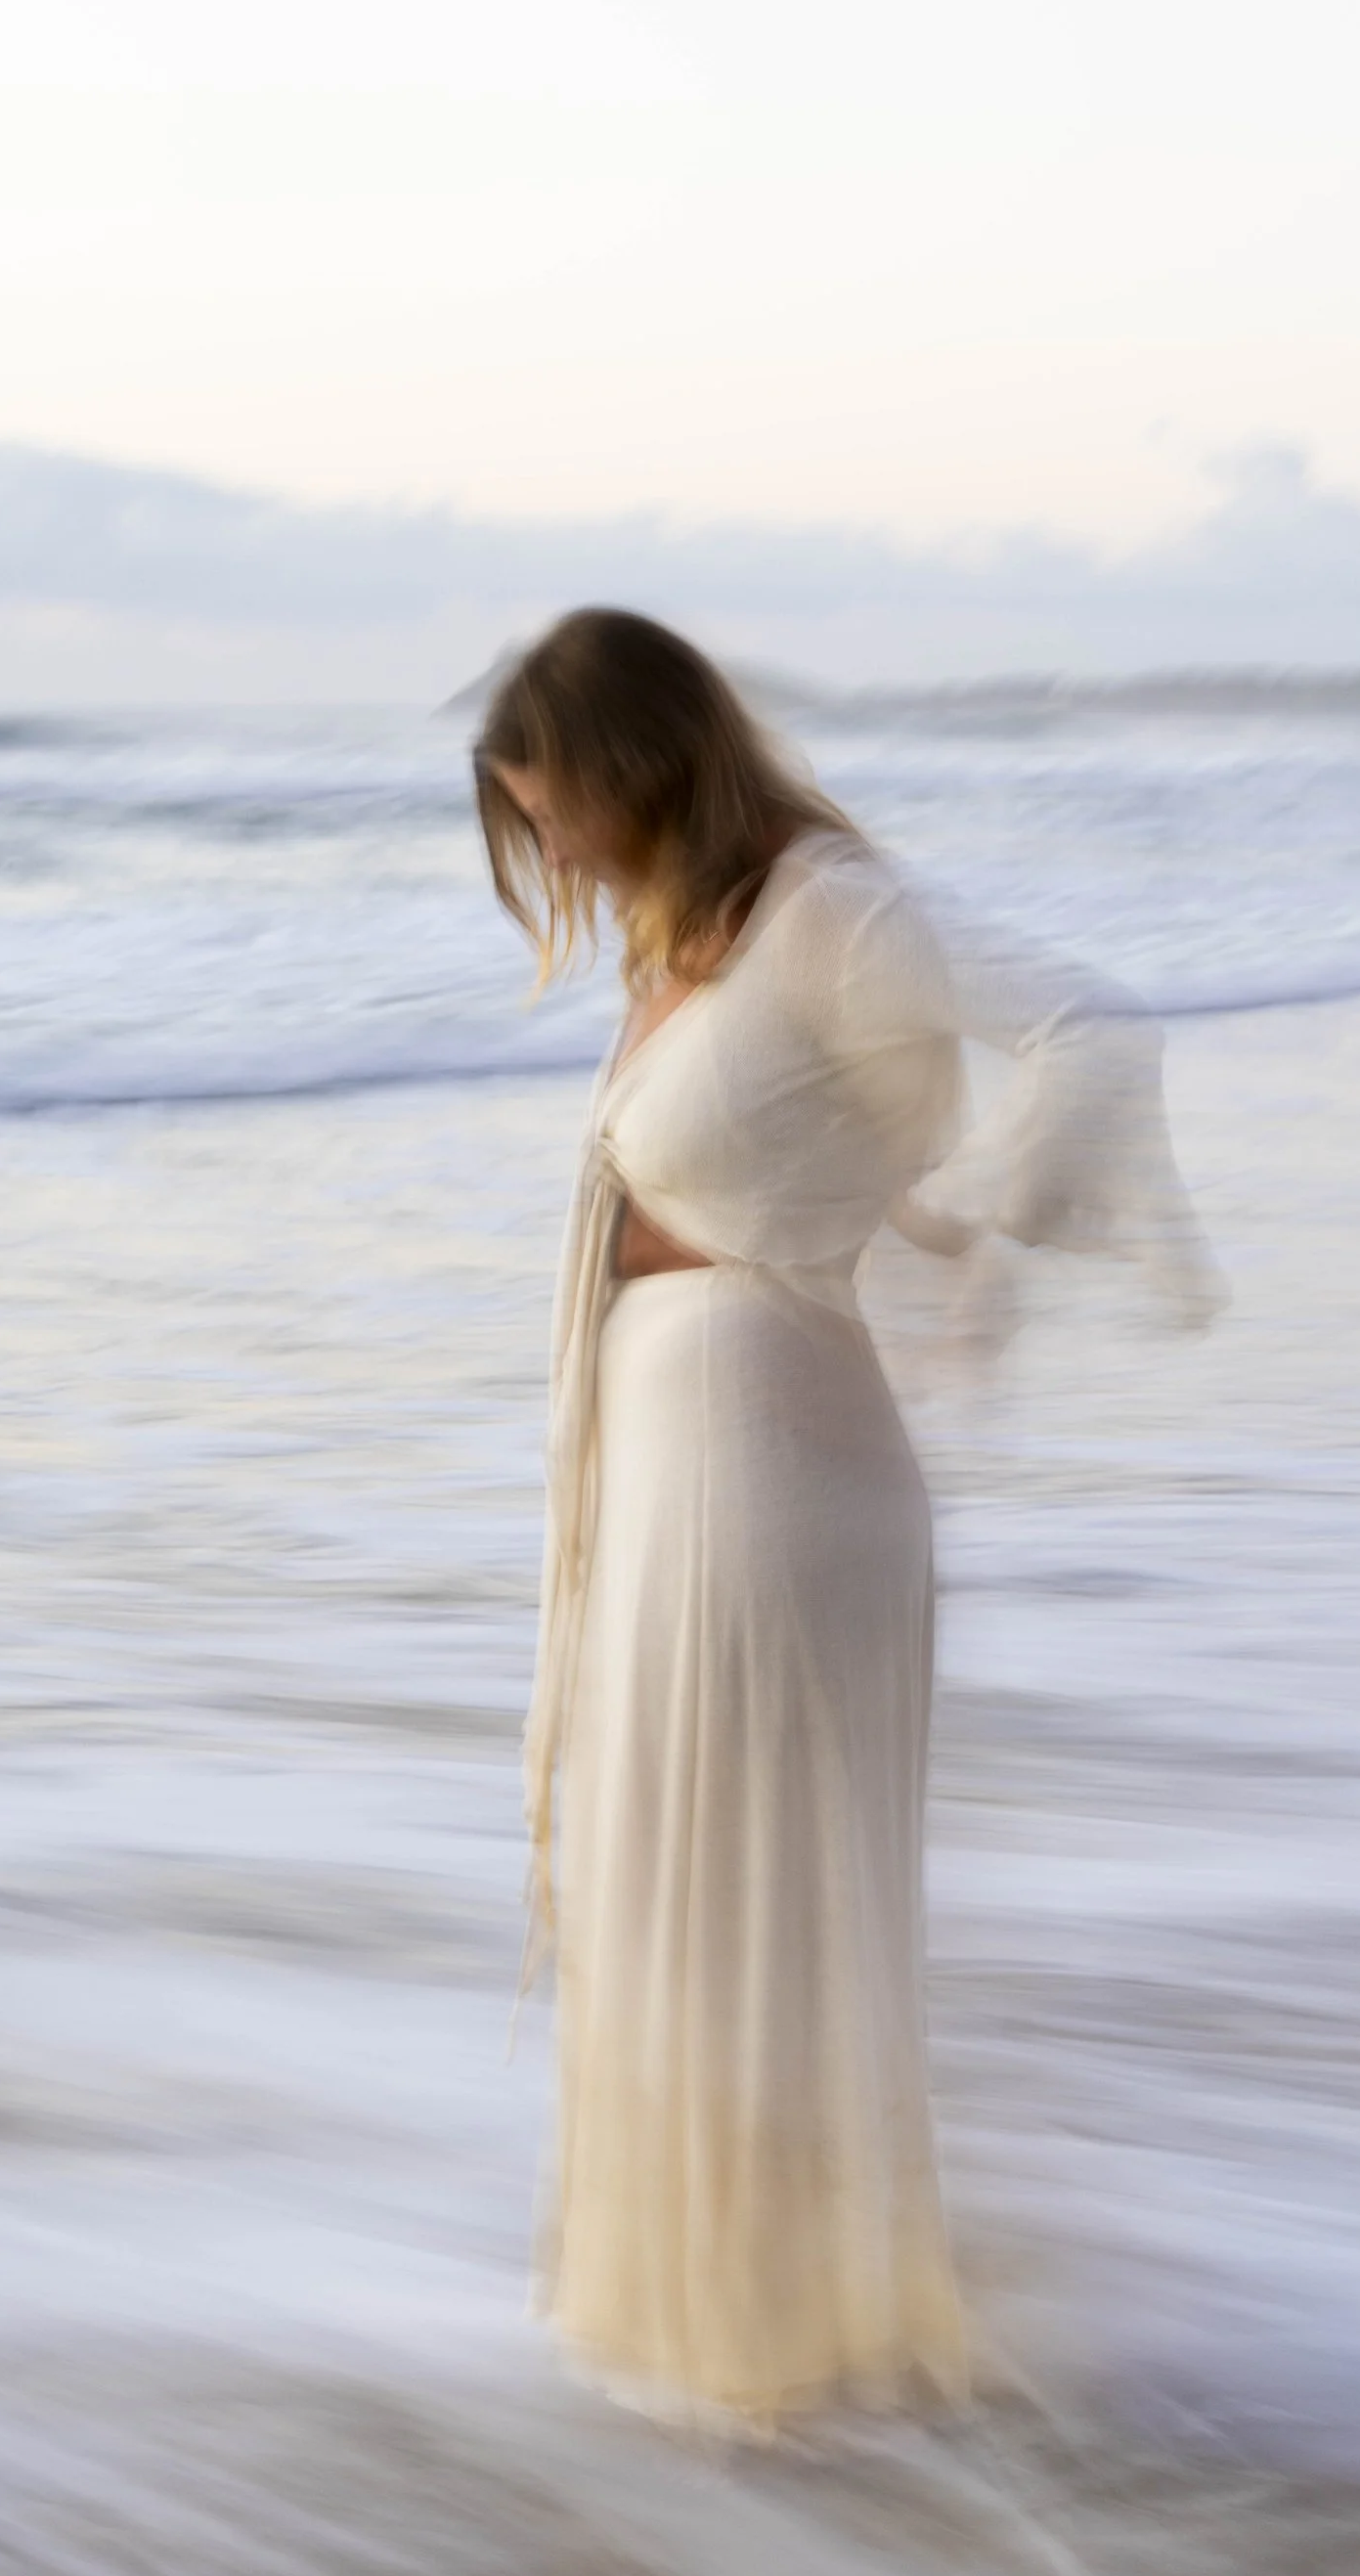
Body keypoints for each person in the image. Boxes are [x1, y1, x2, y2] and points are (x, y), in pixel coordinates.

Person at [476, 609, 1223, 2432]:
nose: (550, 853)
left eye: (554, 807)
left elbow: (1091, 1027)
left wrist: (971, 1228)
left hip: (768, 1467)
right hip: (690, 1468)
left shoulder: (826, 911)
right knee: (683, 1897)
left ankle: (771, 2355)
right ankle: (745, 2335)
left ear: (644, 760)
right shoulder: (696, 935)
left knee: (741, 1907)